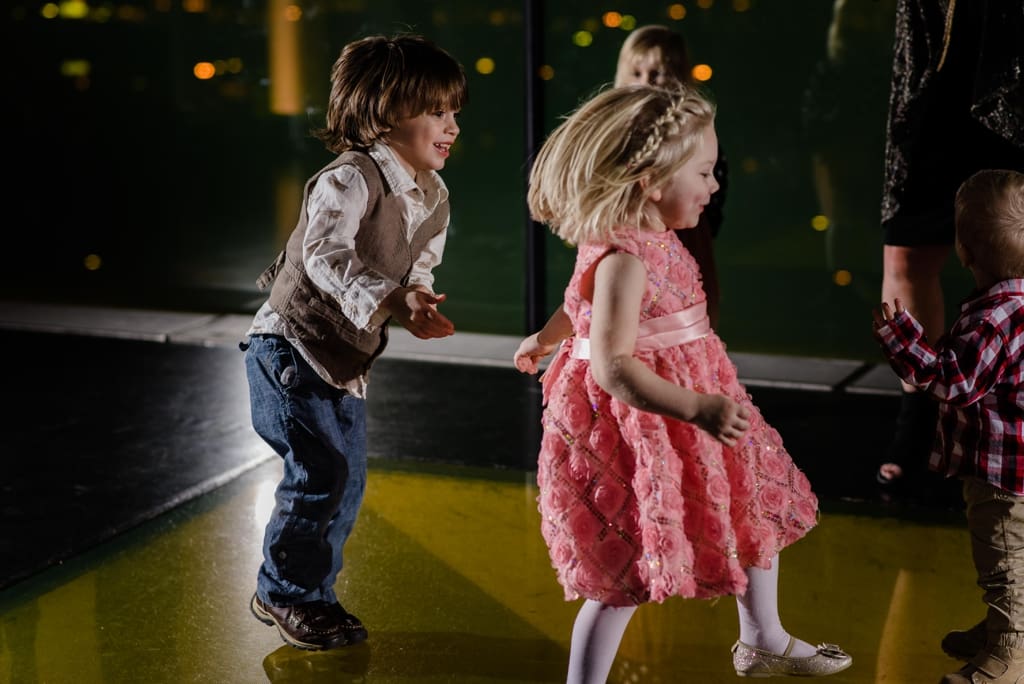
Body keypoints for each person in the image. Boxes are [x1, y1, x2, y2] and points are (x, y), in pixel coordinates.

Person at [512, 84, 851, 682]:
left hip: (692, 404)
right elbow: (614, 364)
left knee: (749, 509)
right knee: (626, 569)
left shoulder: (642, 239)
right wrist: (696, 407)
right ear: (649, 178)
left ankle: (763, 637)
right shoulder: (625, 257)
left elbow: (578, 303)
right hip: (645, 424)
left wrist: (546, 336)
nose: (714, 185)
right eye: (702, 172)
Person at [240, 33, 466, 651]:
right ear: (387, 109)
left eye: (455, 113)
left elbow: (417, 267)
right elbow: (323, 255)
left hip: (344, 361)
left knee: (345, 483)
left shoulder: (434, 196)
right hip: (290, 347)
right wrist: (393, 299)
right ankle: (285, 592)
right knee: (320, 471)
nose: (451, 126)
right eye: (436, 111)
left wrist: (416, 298)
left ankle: (312, 596)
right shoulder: (349, 178)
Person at [872, 169, 1024, 684]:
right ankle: (1007, 627)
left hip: (1004, 478)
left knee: (1003, 558)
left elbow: (954, 381)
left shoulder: (995, 318)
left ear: (964, 253)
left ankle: (1010, 655)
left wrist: (902, 341)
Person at [875, 0, 1024, 500]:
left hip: (1016, 68)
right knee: (905, 254)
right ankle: (917, 422)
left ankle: (1009, 422)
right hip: (935, 64)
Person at [614, 24, 728, 328]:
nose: (646, 82)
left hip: (686, 232)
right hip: (634, 232)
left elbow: (717, 181)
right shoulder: (616, 131)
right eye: (636, 73)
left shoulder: (695, 130)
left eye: (658, 73)